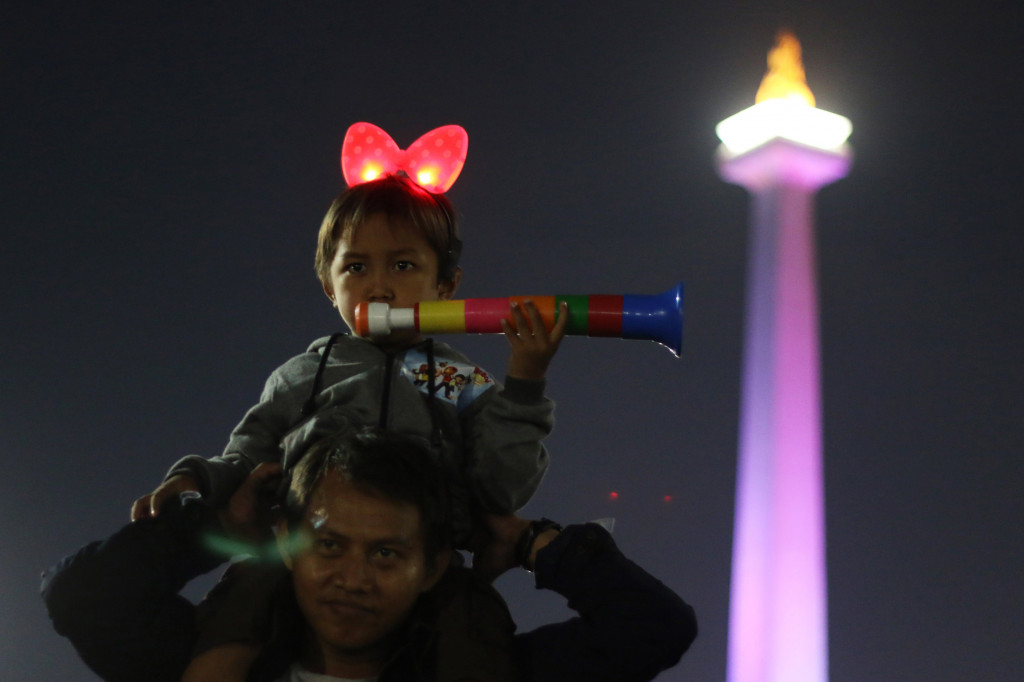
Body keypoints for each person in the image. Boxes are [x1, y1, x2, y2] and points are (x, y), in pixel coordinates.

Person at [129, 125, 568, 678]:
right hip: (306, 562)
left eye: (403, 266)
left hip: (415, 569)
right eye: (356, 267)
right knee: (243, 594)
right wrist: (195, 478)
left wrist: (524, 383)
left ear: (445, 285)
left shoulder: (448, 376)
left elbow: (501, 487)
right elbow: (244, 458)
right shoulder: (306, 375)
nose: (379, 286)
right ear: (327, 284)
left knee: (474, 617)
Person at [42, 428, 698, 681]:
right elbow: (82, 597)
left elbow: (654, 628)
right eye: (329, 545)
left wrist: (532, 543)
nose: (352, 580)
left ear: (433, 567)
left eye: (386, 553)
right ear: (287, 544)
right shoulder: (222, 665)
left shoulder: (481, 671)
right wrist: (210, 525)